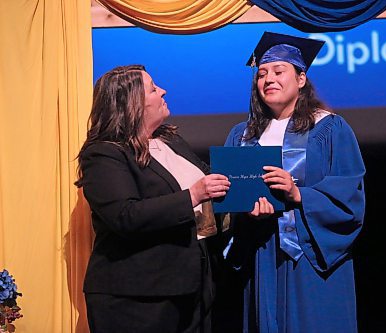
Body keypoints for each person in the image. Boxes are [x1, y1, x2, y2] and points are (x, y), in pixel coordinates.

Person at [223, 32, 366, 332]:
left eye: (278, 71)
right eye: (261, 74)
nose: (268, 79)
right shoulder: (242, 136)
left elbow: (349, 197)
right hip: (263, 257)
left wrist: (298, 194)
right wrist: (244, 213)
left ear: (301, 79)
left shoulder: (329, 129)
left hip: (313, 258)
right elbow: (229, 204)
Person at [75, 64, 230, 333]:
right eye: (153, 88)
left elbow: (212, 187)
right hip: (137, 298)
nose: (163, 91)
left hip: (191, 287)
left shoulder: (172, 142)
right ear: (132, 103)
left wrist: (248, 201)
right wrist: (192, 195)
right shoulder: (104, 154)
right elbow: (125, 216)